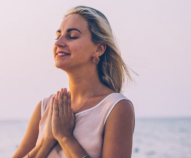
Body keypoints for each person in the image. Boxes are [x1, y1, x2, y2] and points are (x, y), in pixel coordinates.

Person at [12, 6, 135, 158]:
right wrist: (47, 141)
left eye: (72, 36)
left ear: (99, 49)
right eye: (58, 36)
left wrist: (65, 138)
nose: (59, 42)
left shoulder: (115, 107)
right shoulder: (45, 107)